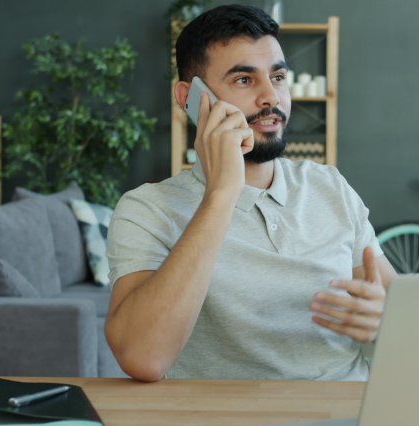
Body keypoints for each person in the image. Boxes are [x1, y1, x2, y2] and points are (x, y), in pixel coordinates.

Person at [105, 4, 397, 382]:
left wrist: (384, 320)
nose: (270, 98)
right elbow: (143, 357)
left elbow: (408, 318)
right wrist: (222, 193)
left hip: (345, 418)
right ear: (189, 98)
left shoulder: (330, 186)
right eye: (244, 80)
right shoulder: (148, 210)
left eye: (277, 76)